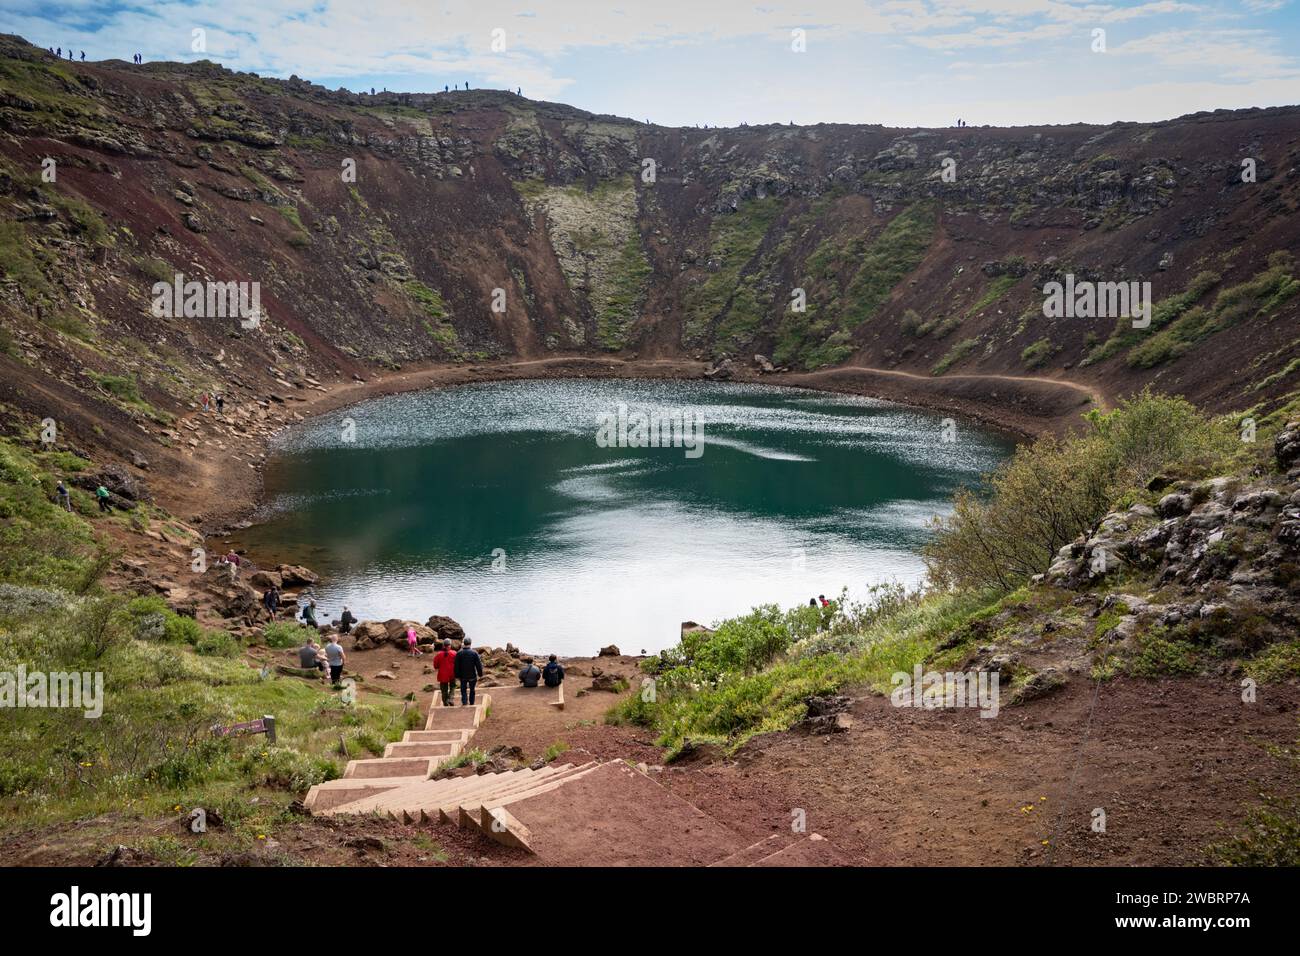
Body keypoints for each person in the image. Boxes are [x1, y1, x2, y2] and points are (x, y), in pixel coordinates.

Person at [454, 638, 483, 705]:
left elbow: (456, 666)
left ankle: (464, 702)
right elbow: (478, 665)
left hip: (463, 676)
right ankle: (472, 703)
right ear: (470, 643)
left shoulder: (459, 653)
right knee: (472, 690)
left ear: (464, 643)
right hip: (472, 675)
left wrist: (457, 675)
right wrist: (480, 674)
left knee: (463, 690)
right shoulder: (474, 653)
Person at [432, 640, 457, 706]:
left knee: (444, 690)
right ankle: (451, 699)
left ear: (443, 645)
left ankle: (445, 703)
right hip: (452, 674)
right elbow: (457, 663)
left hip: (442, 675)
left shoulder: (438, 654)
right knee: (453, 686)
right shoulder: (454, 653)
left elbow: (435, 666)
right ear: (450, 645)